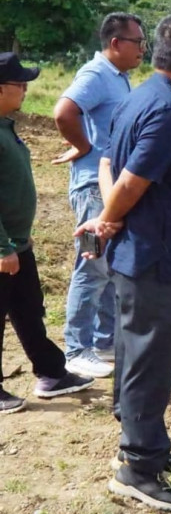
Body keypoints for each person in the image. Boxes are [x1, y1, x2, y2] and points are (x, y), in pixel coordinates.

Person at [78, 14, 171, 512]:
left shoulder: (139, 95)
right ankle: (137, 466)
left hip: (143, 249)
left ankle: (147, 445)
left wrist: (109, 220)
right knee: (150, 357)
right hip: (154, 254)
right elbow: (132, 180)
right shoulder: (167, 108)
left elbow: (110, 162)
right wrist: (108, 217)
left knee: (137, 349)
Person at [53, 13, 146, 379]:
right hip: (94, 184)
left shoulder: (119, 78)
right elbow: (64, 112)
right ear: (115, 44)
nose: (142, 49)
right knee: (92, 267)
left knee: (108, 268)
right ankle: (77, 348)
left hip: (109, 183)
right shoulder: (96, 75)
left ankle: (105, 340)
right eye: (137, 42)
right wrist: (83, 145)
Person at [1, 53, 95, 415]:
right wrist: (2, 247)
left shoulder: (6, 126)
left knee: (28, 310)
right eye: (20, 84)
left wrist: (18, 239)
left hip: (16, 242)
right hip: (4, 246)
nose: (25, 90)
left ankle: (52, 373)